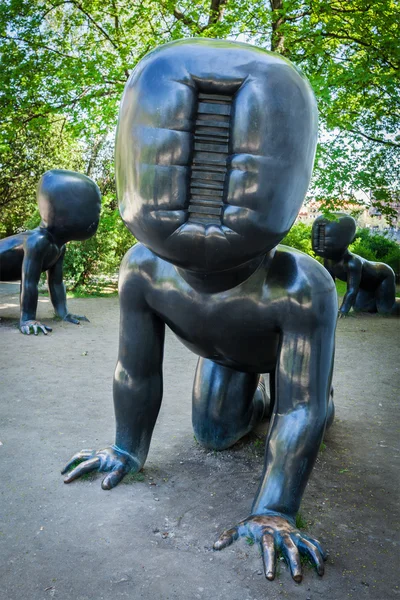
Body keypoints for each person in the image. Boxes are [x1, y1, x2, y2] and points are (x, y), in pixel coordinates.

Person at [62, 39, 337, 583]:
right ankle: (257, 399)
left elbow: (299, 408)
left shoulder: (302, 286)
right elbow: (135, 370)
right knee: (213, 431)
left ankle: (300, 392)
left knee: (309, 408)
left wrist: (274, 509)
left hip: (274, 349)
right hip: (224, 353)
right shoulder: (144, 269)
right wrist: (126, 449)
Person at [0, 169, 101, 334]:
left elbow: (56, 282)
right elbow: (29, 283)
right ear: (65, 213)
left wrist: (63, 313)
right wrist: (27, 319)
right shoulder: (38, 242)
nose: (97, 215)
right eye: (93, 210)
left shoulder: (59, 246)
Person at [312, 213, 398, 316]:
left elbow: (352, 290)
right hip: (365, 284)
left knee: (386, 310)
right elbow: (330, 286)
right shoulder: (328, 261)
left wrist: (343, 310)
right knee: (361, 309)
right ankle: (375, 301)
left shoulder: (352, 263)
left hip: (383, 276)